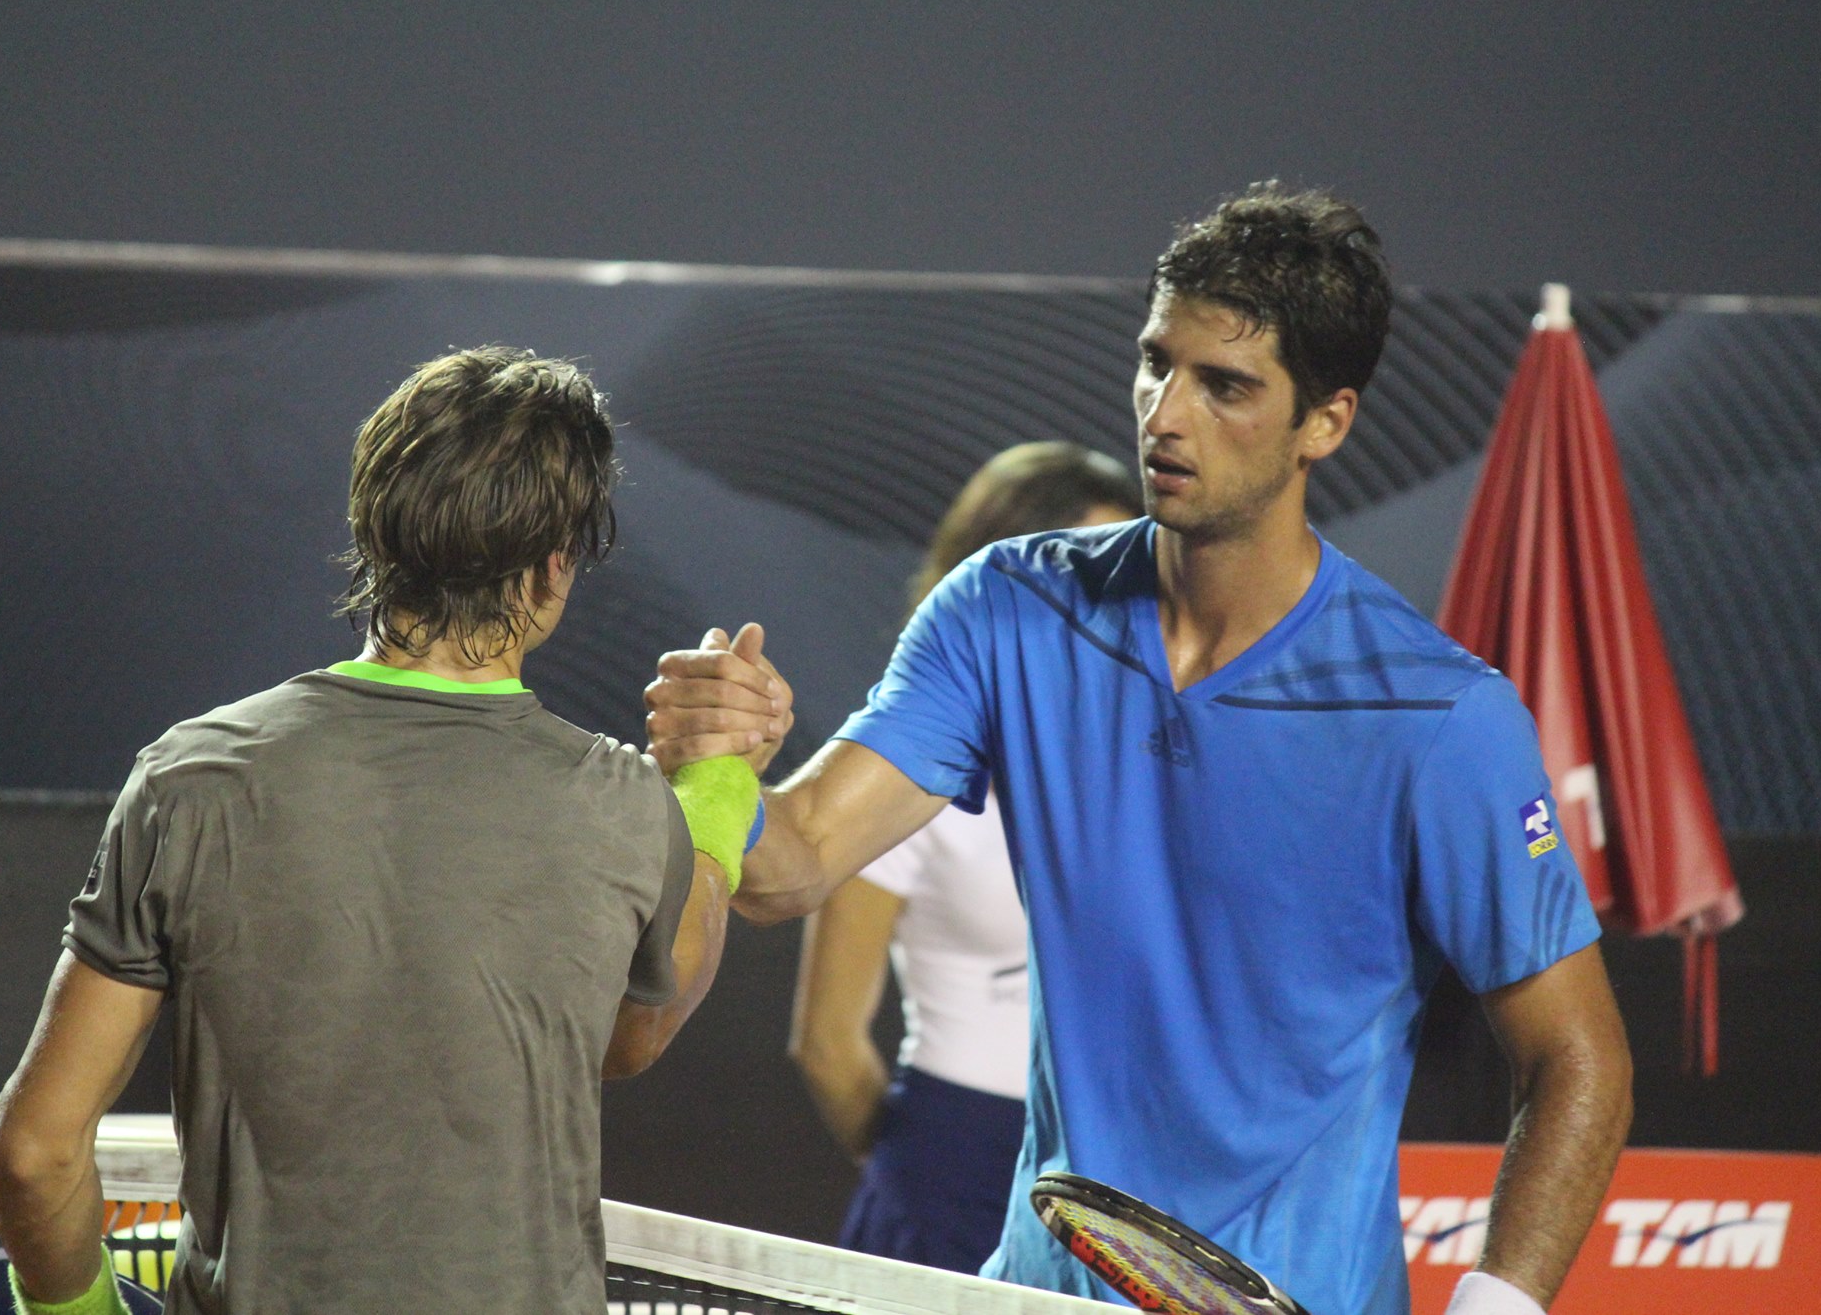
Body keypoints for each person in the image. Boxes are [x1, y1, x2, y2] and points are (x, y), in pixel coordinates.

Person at [644, 184, 1633, 1315]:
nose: (1165, 415)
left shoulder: (1440, 715)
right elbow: (792, 864)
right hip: (1038, 1300)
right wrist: (716, 764)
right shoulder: (1005, 609)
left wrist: (1494, 1307)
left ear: (1325, 422)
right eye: (1156, 364)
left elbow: (1580, 1060)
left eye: (1225, 386)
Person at [0, 347, 759, 1315]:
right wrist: (718, 785)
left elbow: (35, 1155)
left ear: (373, 531)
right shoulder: (621, 806)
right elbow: (633, 1031)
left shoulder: (189, 782)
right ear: (552, 569)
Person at [790, 441, 1141, 1274]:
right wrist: (919, 1167)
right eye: (1085, 575)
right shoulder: (901, 766)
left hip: (1120, 1177)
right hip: (951, 1166)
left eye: (1126, 579)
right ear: (997, 581)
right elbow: (827, 1041)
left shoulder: (1152, 761)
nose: (1113, 609)